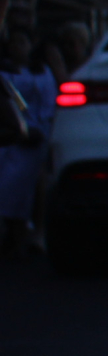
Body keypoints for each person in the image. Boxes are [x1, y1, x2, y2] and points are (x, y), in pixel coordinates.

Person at [0, 29, 57, 259]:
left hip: (34, 136)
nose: (18, 48)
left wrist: (39, 128)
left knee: (26, 189)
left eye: (22, 42)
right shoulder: (4, 72)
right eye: (14, 43)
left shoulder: (41, 72)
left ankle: (23, 234)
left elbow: (48, 104)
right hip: (8, 138)